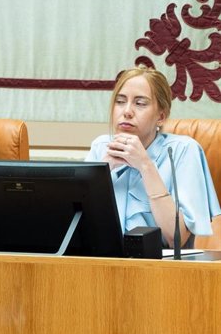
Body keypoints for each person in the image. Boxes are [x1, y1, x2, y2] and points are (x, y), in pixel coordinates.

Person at [85, 66, 220, 248]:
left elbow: (176, 239)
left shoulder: (183, 151)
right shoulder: (101, 147)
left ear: (161, 116)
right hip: (104, 266)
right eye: (120, 101)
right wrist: (98, 173)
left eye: (140, 103)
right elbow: (76, 228)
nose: (127, 111)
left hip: (161, 269)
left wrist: (145, 166)